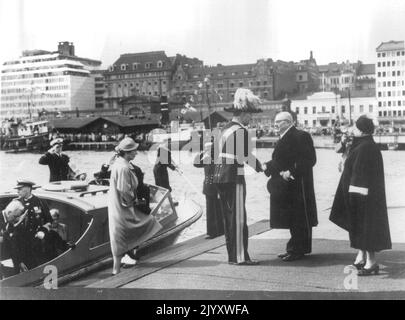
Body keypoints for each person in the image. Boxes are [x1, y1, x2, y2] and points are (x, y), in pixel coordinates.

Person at [330, 115, 391, 276]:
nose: (353, 129)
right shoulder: (365, 145)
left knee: (365, 227)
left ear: (362, 130)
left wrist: (354, 195)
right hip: (362, 194)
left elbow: (360, 175)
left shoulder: (365, 148)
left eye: (356, 127)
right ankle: (363, 257)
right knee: (360, 226)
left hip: (361, 196)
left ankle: (371, 263)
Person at [213, 88, 263, 265]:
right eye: (250, 115)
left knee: (229, 218)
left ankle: (232, 256)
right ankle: (240, 257)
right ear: (242, 114)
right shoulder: (241, 131)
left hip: (219, 177)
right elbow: (246, 156)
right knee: (239, 217)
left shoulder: (223, 129)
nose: (251, 119)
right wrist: (262, 167)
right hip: (234, 177)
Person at [264, 111, 318, 262]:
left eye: (279, 121)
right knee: (293, 217)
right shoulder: (285, 136)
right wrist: (266, 167)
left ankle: (297, 250)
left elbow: (309, 159)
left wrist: (291, 171)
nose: (276, 124)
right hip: (289, 184)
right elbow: (281, 160)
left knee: (299, 217)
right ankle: (295, 247)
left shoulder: (301, 136)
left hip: (298, 183)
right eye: (275, 121)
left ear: (288, 122)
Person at [108, 137, 162, 275]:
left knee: (119, 235)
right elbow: (124, 190)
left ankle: (117, 268)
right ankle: (117, 268)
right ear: (127, 153)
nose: (136, 154)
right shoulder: (124, 167)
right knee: (145, 223)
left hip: (116, 204)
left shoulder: (118, 164)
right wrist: (134, 201)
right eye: (134, 151)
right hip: (122, 206)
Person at [194, 141, 224, 239]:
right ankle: (211, 232)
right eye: (206, 149)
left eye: (209, 149)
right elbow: (195, 164)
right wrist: (202, 153)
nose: (208, 151)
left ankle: (220, 231)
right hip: (207, 188)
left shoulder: (218, 160)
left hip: (216, 188)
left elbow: (220, 175)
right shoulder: (206, 159)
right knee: (210, 211)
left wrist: (220, 191)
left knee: (217, 210)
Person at [0, 199, 29, 275]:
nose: (17, 219)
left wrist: (19, 261)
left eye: (19, 216)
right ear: (9, 213)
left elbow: (14, 245)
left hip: (10, 261)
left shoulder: (13, 223)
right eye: (16, 216)